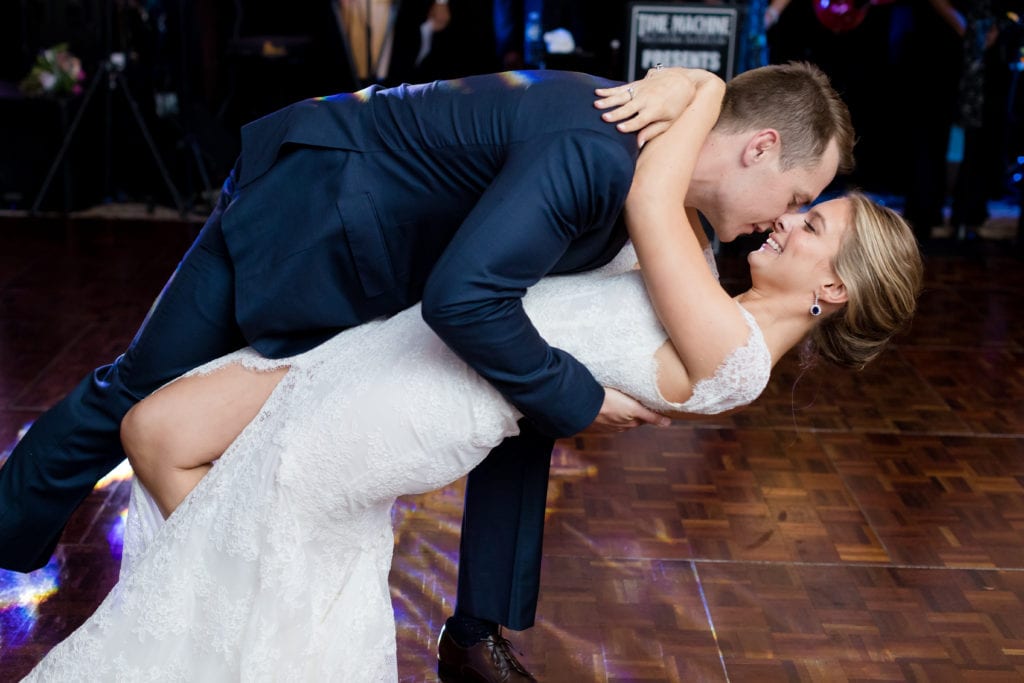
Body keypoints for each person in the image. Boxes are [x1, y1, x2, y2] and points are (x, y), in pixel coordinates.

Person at [22, 69, 923, 682]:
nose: (785, 219)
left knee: (192, 444)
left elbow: (530, 309)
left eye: (808, 219)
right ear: (760, 148)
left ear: (834, 286)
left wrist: (698, 90)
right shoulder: (625, 170)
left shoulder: (681, 242)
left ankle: (422, 625)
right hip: (321, 207)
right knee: (141, 404)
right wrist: (577, 396)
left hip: (402, 335)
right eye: (799, 199)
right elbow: (496, 301)